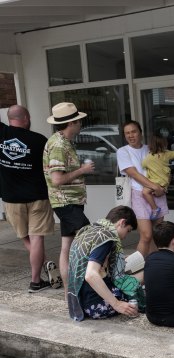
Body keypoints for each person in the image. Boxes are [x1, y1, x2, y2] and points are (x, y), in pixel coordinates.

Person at [0, 105, 59, 293]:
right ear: (26, 118)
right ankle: (35, 281)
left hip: (11, 198)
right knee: (36, 239)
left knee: (25, 236)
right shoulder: (40, 140)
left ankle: (39, 264)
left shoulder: (1, 133)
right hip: (37, 197)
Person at [43, 102, 95, 294]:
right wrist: (83, 170)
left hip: (69, 202)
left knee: (67, 246)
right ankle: (88, 288)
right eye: (79, 120)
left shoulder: (62, 141)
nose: (81, 123)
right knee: (92, 239)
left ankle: (68, 293)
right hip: (66, 202)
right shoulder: (58, 145)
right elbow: (57, 179)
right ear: (71, 122)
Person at [67, 205, 141, 321]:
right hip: (95, 305)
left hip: (78, 303)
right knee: (137, 292)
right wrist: (117, 304)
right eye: (128, 230)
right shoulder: (106, 237)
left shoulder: (87, 230)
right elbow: (91, 275)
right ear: (122, 222)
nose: (126, 236)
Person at [117, 120, 167, 257]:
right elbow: (133, 173)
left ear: (140, 133)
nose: (130, 135)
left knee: (156, 235)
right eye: (127, 133)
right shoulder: (123, 151)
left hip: (157, 194)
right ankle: (136, 268)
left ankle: (153, 266)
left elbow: (163, 166)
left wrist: (162, 187)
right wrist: (154, 186)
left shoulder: (149, 149)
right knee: (146, 235)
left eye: (133, 131)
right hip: (139, 194)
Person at [142, 133, 174, 220]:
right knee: (154, 193)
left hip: (156, 182)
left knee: (145, 192)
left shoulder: (149, 158)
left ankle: (155, 208)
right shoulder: (166, 154)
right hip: (164, 181)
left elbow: (142, 165)